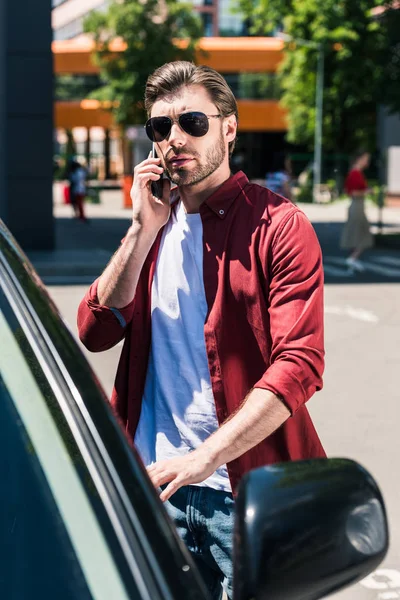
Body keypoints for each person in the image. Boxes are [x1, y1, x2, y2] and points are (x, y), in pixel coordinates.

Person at [77, 61, 325, 600]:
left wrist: (204, 457)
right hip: (151, 491)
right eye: (160, 127)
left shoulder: (279, 227)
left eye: (192, 122)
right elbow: (95, 330)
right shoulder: (154, 224)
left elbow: (299, 364)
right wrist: (142, 229)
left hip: (240, 498)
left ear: (228, 128)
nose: (174, 139)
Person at [340, 151, 374, 272]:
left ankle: (352, 259)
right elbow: (353, 192)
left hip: (357, 205)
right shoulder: (355, 173)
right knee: (363, 233)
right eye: (365, 159)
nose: (367, 162)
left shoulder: (355, 173)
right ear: (359, 159)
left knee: (357, 232)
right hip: (357, 205)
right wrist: (367, 191)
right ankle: (352, 258)